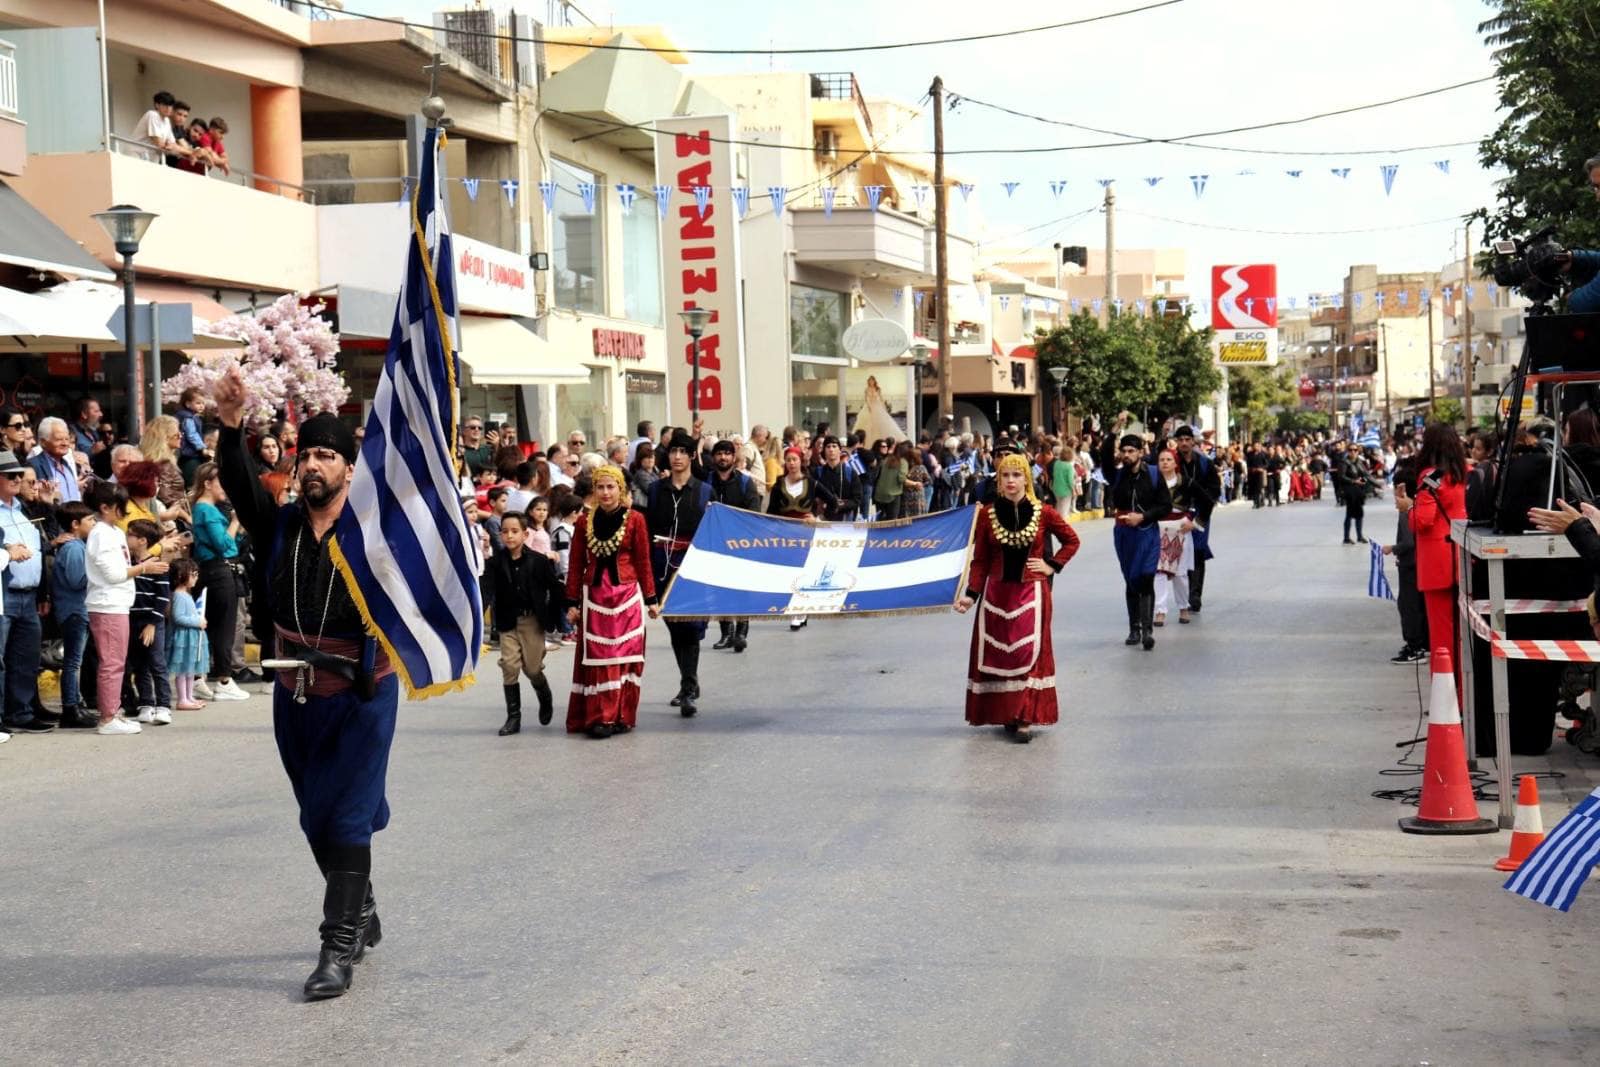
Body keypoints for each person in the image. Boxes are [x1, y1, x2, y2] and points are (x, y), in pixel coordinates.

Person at [215, 368, 395, 1002]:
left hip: (362, 691)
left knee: (346, 813)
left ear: (349, 467)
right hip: (294, 690)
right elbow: (238, 482)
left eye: (328, 455)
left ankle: (337, 946)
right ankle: (360, 902)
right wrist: (231, 424)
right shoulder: (281, 524)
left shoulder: (377, 530)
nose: (314, 465)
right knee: (316, 815)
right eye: (307, 455)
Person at [954, 452, 1080, 743]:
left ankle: (1025, 717)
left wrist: (1052, 565)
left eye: (1016, 475)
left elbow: (1072, 541)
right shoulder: (986, 514)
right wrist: (971, 595)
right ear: (998, 480)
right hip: (996, 594)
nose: (1011, 481)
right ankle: (1006, 712)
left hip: (1032, 592)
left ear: (1027, 478)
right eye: (1005, 476)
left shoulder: (1044, 512)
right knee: (1000, 655)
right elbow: (981, 560)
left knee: (1029, 654)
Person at [565, 465, 656, 738]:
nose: (605, 493)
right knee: (598, 658)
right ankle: (599, 717)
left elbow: (643, 561)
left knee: (624, 656)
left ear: (621, 490)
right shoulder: (584, 522)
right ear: (594, 491)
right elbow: (575, 563)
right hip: (594, 596)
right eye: (600, 487)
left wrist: (650, 598)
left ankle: (621, 715)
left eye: (610, 487)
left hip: (626, 596)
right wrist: (571, 602)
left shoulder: (636, 519)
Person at [85, 481, 163, 735]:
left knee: (116, 661)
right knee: (111, 662)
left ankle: (113, 710)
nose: (124, 512)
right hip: (107, 604)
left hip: (118, 604)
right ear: (105, 507)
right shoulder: (100, 533)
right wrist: (144, 568)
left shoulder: (115, 532)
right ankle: (107, 717)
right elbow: (114, 574)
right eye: (120, 507)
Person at [645, 433, 713, 711]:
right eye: (673, 451)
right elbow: (649, 529)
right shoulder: (655, 490)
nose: (677, 457)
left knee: (692, 624)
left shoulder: (704, 490)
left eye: (683, 451)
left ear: (690, 456)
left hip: (692, 562)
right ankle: (688, 681)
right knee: (673, 623)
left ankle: (688, 687)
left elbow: (711, 530)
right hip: (663, 560)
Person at [1401, 423, 1468, 676]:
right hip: (1461, 556)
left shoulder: (1431, 476)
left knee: (1442, 637)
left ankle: (1446, 700)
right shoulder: (1465, 472)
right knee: (1462, 636)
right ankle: (1464, 698)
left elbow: (1423, 520)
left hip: (1438, 563)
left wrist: (1408, 507)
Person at [491, 512, 561, 736]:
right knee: (510, 666)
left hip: (532, 621)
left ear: (525, 534)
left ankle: (544, 693)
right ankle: (514, 717)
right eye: (505, 531)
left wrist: (567, 609)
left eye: (514, 531)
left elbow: (555, 588)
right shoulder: (495, 562)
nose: (509, 536)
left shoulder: (539, 561)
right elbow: (485, 591)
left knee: (532, 669)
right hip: (507, 621)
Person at [189, 463, 249, 702]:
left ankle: (199, 678)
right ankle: (224, 679)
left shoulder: (203, 509)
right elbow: (224, 545)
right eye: (220, 483)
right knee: (224, 628)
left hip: (210, 570)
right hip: (219, 569)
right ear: (207, 483)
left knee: (211, 626)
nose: (225, 489)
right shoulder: (208, 510)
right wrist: (234, 522)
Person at [0, 449, 49, 734]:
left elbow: (42, 550)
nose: (19, 480)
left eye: (20, 474)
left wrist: (43, 593)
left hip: (29, 594)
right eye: (11, 475)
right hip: (5, 593)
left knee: (26, 658)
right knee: (2, 659)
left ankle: (21, 713)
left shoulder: (25, 509)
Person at [1108, 434, 1171, 651]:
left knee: (1145, 577)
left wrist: (1143, 517)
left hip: (1147, 532)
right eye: (1123, 451)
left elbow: (1165, 506)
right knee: (1131, 579)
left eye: (1131, 451)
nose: (1126, 455)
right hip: (1124, 535)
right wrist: (1113, 432)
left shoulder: (1153, 474)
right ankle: (1133, 628)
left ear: (1140, 452)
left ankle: (1147, 631)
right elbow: (1104, 458)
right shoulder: (1116, 475)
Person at [52, 501, 99, 728]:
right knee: (73, 662)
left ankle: (76, 703)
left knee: (75, 661)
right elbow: (76, 580)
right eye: (89, 520)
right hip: (73, 611)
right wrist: (98, 570)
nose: (93, 523)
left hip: (80, 610)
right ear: (74, 524)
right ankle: (70, 708)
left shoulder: (79, 546)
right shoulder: (72, 548)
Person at [125, 519, 174, 726]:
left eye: (130, 535)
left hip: (151, 621)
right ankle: (146, 703)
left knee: (157, 663)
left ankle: (163, 705)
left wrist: (153, 623)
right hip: (132, 619)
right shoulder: (129, 566)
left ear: (142, 541)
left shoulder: (158, 565)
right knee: (139, 664)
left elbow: (163, 598)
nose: (126, 538)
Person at [1384, 459, 1429, 664]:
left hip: (1410, 566)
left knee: (1408, 605)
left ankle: (1415, 646)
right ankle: (1421, 644)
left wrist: (1393, 549)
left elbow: (1409, 542)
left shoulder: (1407, 513)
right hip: (1415, 563)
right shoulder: (1417, 507)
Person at [1171, 425, 1219, 614]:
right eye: (1180, 439)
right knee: (1179, 552)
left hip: (1200, 511)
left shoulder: (1205, 463)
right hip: (1177, 511)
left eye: (1187, 439)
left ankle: (1195, 594)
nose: (1184, 443)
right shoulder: (1170, 460)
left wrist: (1205, 511)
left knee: (1198, 551)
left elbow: (1215, 489)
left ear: (1193, 441)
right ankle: (1179, 596)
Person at [1152, 451, 1193, 628]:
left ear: (1175, 463)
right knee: (1159, 571)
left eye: (1169, 460)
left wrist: (1193, 522)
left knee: (1180, 573)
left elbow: (1200, 503)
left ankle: (1183, 607)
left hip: (1180, 528)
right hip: (1159, 528)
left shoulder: (1185, 483)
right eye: (1162, 460)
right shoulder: (1152, 482)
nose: (1165, 463)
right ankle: (1160, 610)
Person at [167, 559, 210, 710]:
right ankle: (182, 699)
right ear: (180, 575)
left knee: (190, 670)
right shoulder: (179, 595)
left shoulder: (185, 594)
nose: (196, 578)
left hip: (190, 638)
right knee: (182, 671)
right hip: (183, 638)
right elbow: (178, 617)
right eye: (193, 574)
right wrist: (197, 621)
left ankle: (189, 696)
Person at [1337, 445, 1372, 544]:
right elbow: (1341, 476)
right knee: (1349, 514)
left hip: (1358, 491)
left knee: (1359, 514)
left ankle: (1359, 536)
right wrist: (1354, 481)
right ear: (1347, 451)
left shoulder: (1359, 462)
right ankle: (1346, 537)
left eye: (1355, 450)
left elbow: (1365, 475)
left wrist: (1373, 484)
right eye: (1350, 450)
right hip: (1349, 491)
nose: (1353, 452)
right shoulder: (1344, 462)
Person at [175, 387, 209, 482]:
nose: (201, 406)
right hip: (189, 453)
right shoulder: (188, 417)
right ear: (188, 404)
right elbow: (192, 435)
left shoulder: (189, 416)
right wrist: (202, 448)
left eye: (203, 403)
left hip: (186, 453)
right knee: (193, 479)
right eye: (198, 403)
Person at [872, 438, 906, 520]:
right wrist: (914, 483)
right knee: (892, 521)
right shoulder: (903, 462)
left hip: (879, 495)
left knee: (880, 520)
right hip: (893, 495)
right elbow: (901, 479)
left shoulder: (885, 460)